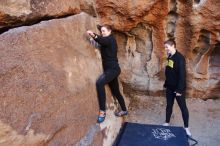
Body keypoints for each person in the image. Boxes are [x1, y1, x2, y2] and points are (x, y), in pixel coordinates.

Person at [86, 25, 128, 123]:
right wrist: (99, 28)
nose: (102, 33)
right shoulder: (107, 40)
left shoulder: (110, 39)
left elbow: (102, 41)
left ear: (110, 31)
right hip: (111, 70)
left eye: (104, 31)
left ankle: (102, 111)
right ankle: (124, 110)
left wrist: (93, 35)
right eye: (101, 31)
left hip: (113, 69)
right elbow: (102, 41)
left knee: (99, 83)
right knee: (116, 92)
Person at [163, 39, 192, 136]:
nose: (165, 49)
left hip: (178, 89)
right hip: (170, 87)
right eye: (165, 47)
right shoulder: (170, 56)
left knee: (183, 108)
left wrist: (179, 90)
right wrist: (166, 83)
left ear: (173, 46)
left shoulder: (180, 58)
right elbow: (169, 71)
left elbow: (182, 75)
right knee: (169, 105)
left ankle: (186, 127)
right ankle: (167, 122)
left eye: (167, 47)